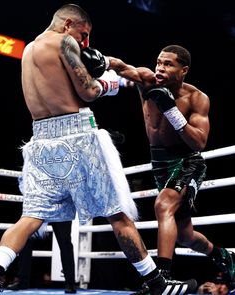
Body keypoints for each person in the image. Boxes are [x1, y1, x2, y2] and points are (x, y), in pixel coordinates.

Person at [0, 5, 197, 295]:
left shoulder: (29, 49)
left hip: (40, 142)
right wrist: (111, 83)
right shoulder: (64, 41)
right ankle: (156, 283)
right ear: (68, 24)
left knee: (31, 217)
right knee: (117, 212)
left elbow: (67, 80)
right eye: (84, 34)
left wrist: (118, 72)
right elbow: (88, 91)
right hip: (77, 136)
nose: (85, 43)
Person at [100, 44, 235, 292]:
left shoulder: (197, 98)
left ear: (183, 70)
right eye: (159, 62)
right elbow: (119, 65)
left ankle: (160, 279)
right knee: (184, 236)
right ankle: (222, 255)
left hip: (187, 161)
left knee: (163, 205)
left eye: (168, 64)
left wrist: (171, 110)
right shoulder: (147, 81)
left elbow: (200, 142)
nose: (160, 68)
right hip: (159, 163)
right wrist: (97, 59)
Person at [7, 221, 76, 293]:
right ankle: (22, 281)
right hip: (39, 210)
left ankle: (70, 284)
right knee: (25, 237)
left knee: (65, 242)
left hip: (61, 211)